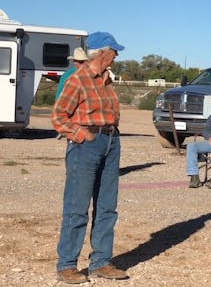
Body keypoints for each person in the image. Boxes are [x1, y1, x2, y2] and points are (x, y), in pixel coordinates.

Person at [51, 31, 128, 284]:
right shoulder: (78, 80)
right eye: (114, 52)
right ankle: (67, 265)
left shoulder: (107, 80)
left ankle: (101, 262)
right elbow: (58, 117)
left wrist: (110, 136)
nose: (116, 57)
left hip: (110, 142)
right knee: (77, 208)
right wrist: (82, 135)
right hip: (86, 145)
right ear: (102, 53)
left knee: (107, 207)